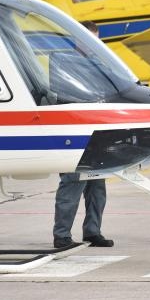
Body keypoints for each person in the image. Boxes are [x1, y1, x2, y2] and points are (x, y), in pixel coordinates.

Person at [52, 20, 113, 249]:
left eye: (96, 40)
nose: (93, 45)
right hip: (74, 133)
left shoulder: (103, 63)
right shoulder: (62, 63)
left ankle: (92, 230)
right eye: (89, 40)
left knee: (97, 186)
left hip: (98, 132)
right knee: (72, 183)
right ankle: (61, 235)